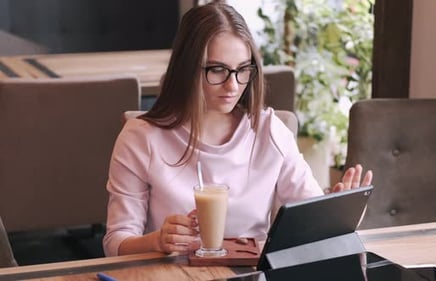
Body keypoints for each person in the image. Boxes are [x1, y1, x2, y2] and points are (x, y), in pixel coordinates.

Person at [103, 2, 372, 257]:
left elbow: (310, 228)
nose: (233, 85)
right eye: (217, 70)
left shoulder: (270, 132)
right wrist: (157, 241)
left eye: (243, 70)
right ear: (186, 69)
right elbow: (116, 241)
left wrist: (333, 215)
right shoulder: (141, 138)